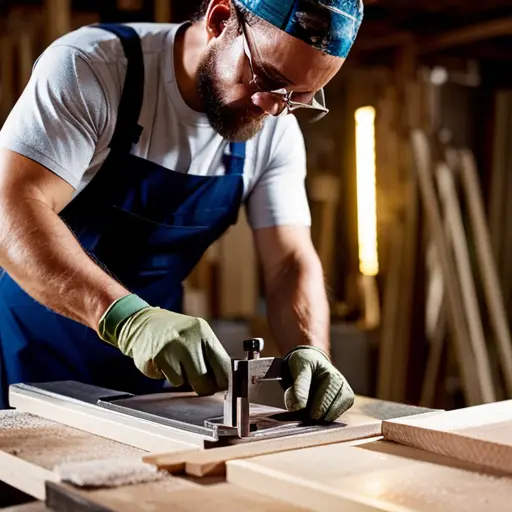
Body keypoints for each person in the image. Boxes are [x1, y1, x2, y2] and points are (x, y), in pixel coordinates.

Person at [0, 0, 363, 422]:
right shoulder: (93, 68)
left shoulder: (274, 130)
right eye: (267, 78)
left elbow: (289, 260)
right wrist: (129, 321)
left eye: (299, 97)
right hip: (25, 354)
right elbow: (11, 209)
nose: (273, 107)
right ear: (220, 20)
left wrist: (311, 350)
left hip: (144, 366)